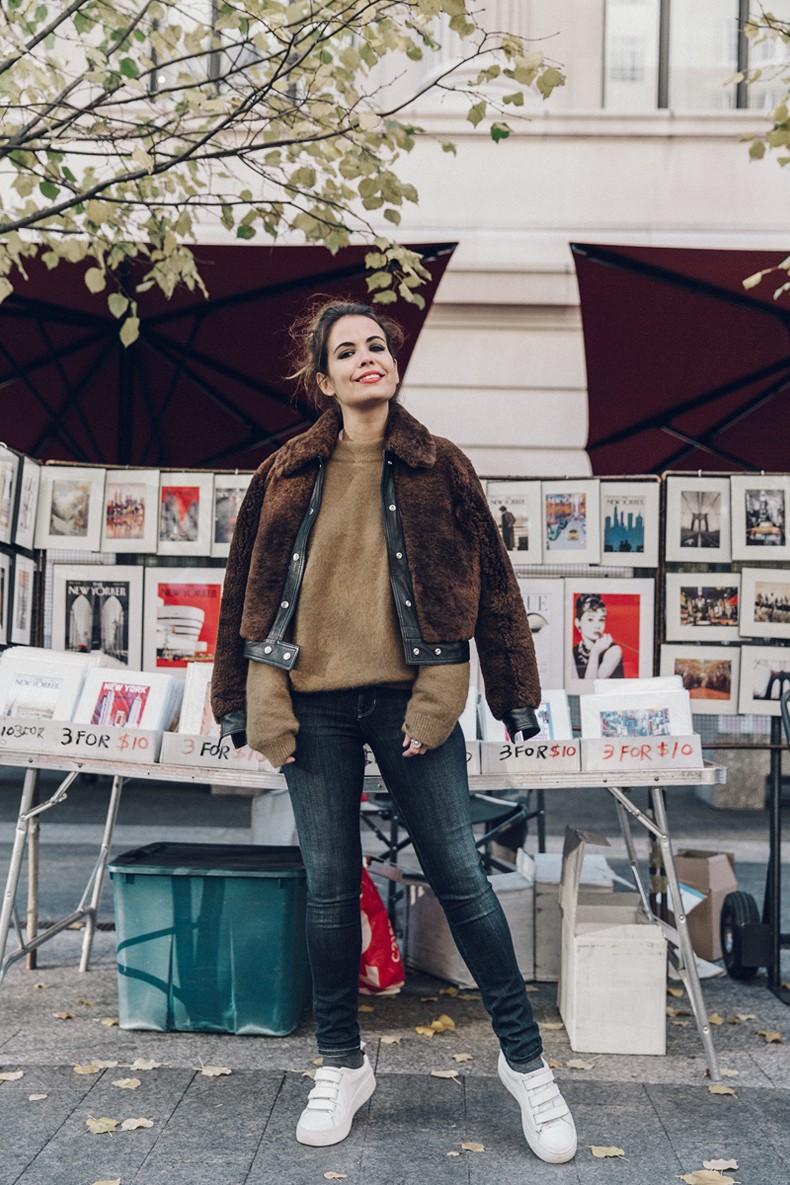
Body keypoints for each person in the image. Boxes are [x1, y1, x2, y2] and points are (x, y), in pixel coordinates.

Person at [211, 299, 577, 1164]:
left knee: (461, 877)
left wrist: (512, 686)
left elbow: (492, 579)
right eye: (349, 351)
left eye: (378, 345)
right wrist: (236, 697)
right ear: (323, 375)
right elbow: (243, 593)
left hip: (418, 701)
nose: (368, 358)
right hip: (311, 706)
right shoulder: (286, 470)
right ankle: (341, 1062)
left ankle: (527, 1066)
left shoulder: (438, 463)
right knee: (331, 886)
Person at [572, 592, 624, 680]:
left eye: (601, 620)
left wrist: (595, 652)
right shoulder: (572, 652)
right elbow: (575, 687)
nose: (597, 625)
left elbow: (591, 686)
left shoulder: (614, 650)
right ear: (578, 623)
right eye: (590, 619)